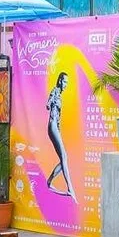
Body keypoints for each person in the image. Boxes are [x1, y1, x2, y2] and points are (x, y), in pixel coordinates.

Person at [44, 68, 73, 196]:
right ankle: (70, 188)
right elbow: (48, 103)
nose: (66, 85)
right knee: (64, 157)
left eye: (67, 83)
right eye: (65, 82)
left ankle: (49, 181)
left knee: (64, 158)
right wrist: (50, 102)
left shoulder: (59, 94)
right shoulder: (55, 91)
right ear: (60, 81)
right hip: (53, 125)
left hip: (56, 127)